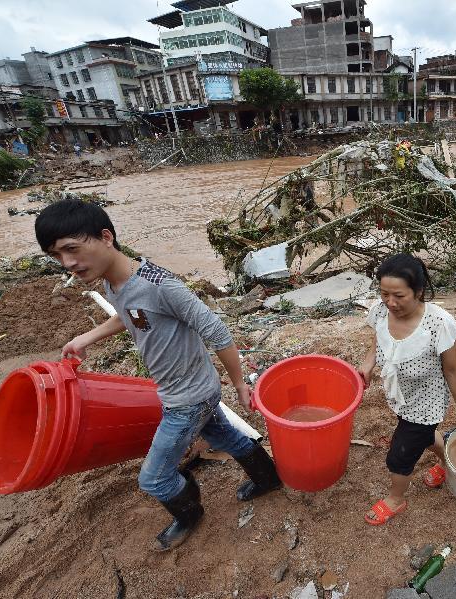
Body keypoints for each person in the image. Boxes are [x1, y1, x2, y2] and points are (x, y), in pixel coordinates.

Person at [34, 200, 282, 551]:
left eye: (72, 249)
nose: (68, 264)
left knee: (154, 478)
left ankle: (190, 513)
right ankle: (268, 478)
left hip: (188, 399)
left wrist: (241, 385)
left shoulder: (162, 286)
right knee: (223, 434)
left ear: (106, 237)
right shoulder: (113, 281)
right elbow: (129, 314)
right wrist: (85, 337)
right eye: (57, 256)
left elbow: (218, 333)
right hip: (187, 390)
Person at [358, 254, 456, 526]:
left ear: (419, 291)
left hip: (427, 404)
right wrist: (368, 365)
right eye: (384, 293)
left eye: (399, 295)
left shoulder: (439, 324)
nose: (390, 302)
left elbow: (454, 371)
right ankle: (449, 462)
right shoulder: (380, 311)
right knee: (422, 437)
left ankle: (396, 499)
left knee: (400, 455)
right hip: (400, 396)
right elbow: (378, 339)